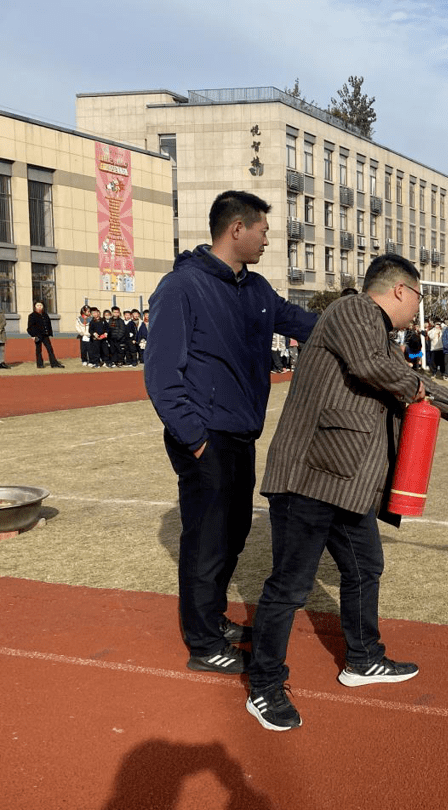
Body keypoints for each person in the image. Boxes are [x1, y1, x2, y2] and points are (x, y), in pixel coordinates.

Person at [246, 253, 448, 732]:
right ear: (399, 291)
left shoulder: (379, 334)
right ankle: (264, 685)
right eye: (418, 298)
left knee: (366, 565)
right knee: (290, 586)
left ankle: (364, 659)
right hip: (308, 477)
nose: (418, 309)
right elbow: (375, 369)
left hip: (346, 482)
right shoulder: (353, 312)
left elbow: (419, 386)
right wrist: (421, 393)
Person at [144, 190, 317, 675]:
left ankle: (213, 620)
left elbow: (306, 325)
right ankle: (202, 642)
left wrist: (362, 321)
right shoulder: (182, 287)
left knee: (235, 531)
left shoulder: (257, 289)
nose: (267, 238)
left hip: (242, 433)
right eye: (262, 229)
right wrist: (194, 437)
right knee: (207, 540)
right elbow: (161, 374)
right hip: (205, 437)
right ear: (236, 229)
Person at [27, 302, 64, 368]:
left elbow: (48, 325)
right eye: (38, 305)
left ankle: (54, 363)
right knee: (38, 350)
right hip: (37, 335)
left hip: (45, 335)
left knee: (50, 349)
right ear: (35, 307)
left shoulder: (45, 315)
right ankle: (40, 364)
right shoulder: (32, 316)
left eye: (41, 305)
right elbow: (30, 327)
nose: (39, 307)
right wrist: (33, 335)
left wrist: (49, 333)